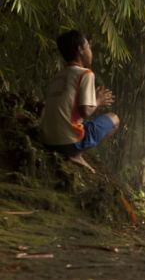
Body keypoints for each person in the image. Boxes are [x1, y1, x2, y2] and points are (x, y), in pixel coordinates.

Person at [40, 30, 120, 173]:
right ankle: (77, 154)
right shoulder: (86, 74)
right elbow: (85, 111)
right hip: (68, 143)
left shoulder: (58, 76)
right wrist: (98, 100)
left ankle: (74, 150)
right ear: (80, 50)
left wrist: (92, 98)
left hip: (48, 141)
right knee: (114, 119)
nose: (91, 51)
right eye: (88, 46)